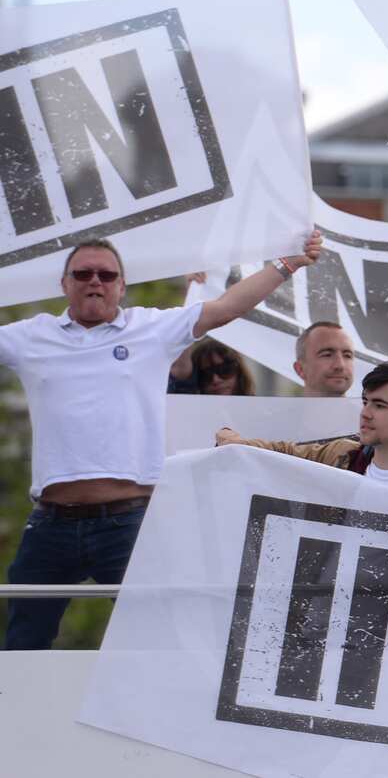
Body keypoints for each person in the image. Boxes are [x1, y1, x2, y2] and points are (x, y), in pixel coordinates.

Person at [2, 231, 323, 650]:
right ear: (64, 284)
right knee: (22, 644)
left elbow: (226, 308)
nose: (94, 281)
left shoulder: (150, 327)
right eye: (82, 273)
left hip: (127, 521)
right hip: (50, 521)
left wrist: (287, 264)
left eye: (106, 274)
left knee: (160, 643)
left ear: (121, 285)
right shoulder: (30, 336)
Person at [216, 360, 388, 511]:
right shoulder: (338, 456)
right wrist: (239, 444)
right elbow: (284, 453)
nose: (366, 413)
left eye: (380, 405)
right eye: (365, 402)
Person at [294, 320, 356, 397]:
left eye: (347, 355)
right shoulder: (278, 409)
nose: (340, 365)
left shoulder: (368, 409)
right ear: (300, 369)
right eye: (327, 355)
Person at [187, 338, 255, 396]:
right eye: (205, 375)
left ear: (239, 371)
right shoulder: (187, 410)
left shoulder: (261, 409)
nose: (216, 380)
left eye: (224, 370)